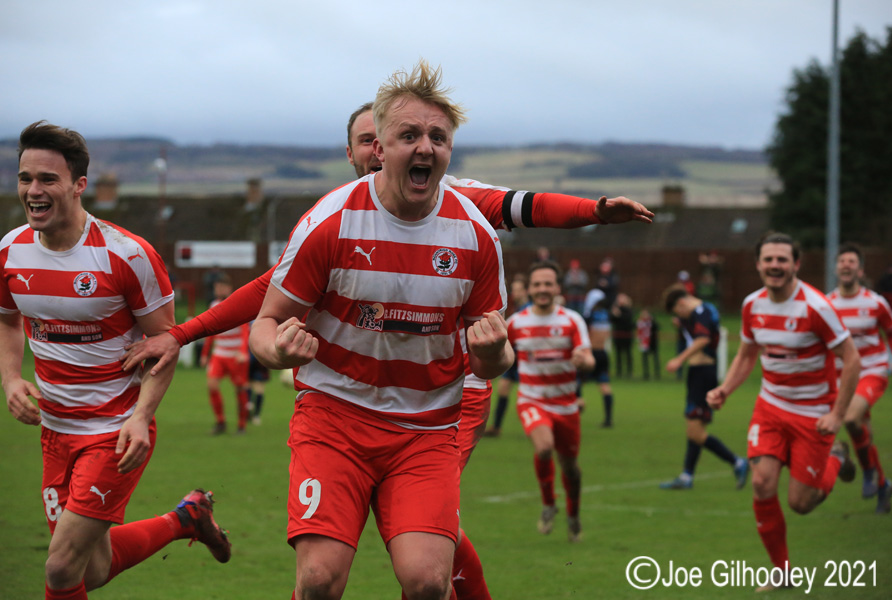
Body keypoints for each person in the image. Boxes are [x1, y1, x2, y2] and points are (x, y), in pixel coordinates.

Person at [123, 99, 653, 600]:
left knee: (426, 564)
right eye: (369, 140)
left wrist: (595, 211)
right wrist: (187, 333)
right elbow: (270, 292)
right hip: (344, 405)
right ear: (358, 152)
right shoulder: (332, 220)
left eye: (414, 137)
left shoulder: (460, 208)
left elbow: (528, 206)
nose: (385, 147)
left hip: (449, 395)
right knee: (334, 571)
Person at [247, 60, 515, 600]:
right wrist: (279, 351)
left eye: (438, 137)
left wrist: (494, 354)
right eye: (409, 135)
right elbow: (263, 324)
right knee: (319, 580)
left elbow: (490, 361)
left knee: (427, 581)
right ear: (380, 149)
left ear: (449, 152)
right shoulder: (330, 222)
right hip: (334, 419)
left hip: (424, 431)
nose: (425, 147)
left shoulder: (475, 237)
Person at [0, 122, 231, 600]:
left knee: (62, 568)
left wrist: (142, 417)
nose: (33, 191)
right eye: (25, 179)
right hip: (55, 431)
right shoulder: (9, 251)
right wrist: (10, 380)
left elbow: (164, 345)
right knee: (92, 570)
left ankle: (184, 516)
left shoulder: (128, 255)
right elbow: (6, 321)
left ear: (79, 185)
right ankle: (186, 518)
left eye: (48, 179)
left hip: (114, 430)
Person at [707, 232, 860, 592]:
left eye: (782, 260)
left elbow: (852, 360)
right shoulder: (752, 305)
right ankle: (783, 572)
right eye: (768, 260)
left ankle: (837, 455)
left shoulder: (816, 307)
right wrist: (725, 389)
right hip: (771, 407)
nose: (775, 266)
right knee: (761, 483)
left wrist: (837, 416)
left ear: (796, 264)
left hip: (814, 414)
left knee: (800, 503)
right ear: (758, 264)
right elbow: (746, 354)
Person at [506, 261, 594, 542]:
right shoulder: (516, 324)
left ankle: (573, 515)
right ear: (529, 289)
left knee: (571, 468)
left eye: (548, 284)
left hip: (566, 404)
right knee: (544, 448)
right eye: (537, 285)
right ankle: (548, 503)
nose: (542, 289)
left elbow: (589, 357)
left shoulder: (571, 320)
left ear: (557, 288)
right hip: (532, 399)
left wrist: (584, 361)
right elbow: (500, 358)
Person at [827, 243, 892, 513]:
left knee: (850, 419)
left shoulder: (874, 302)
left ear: (860, 269)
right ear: (836, 268)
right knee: (859, 431)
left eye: (851, 261)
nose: (846, 265)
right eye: (842, 260)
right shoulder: (828, 304)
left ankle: (867, 471)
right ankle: (882, 484)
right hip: (840, 376)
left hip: (872, 370)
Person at [659, 288, 748, 490]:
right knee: (695, 428)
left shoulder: (701, 312)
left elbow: (703, 339)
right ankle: (687, 476)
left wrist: (679, 359)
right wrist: (682, 324)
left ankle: (737, 462)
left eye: (677, 312)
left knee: (695, 431)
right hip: (699, 373)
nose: (679, 316)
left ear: (681, 303)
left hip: (703, 373)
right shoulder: (701, 312)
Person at [200, 275, 251, 435]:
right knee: (212, 386)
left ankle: (242, 424)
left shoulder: (237, 304)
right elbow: (210, 331)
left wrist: (243, 352)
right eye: (217, 287)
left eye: (222, 287)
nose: (219, 290)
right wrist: (204, 354)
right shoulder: (213, 305)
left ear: (229, 288)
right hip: (219, 354)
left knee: (240, 389)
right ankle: (220, 422)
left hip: (235, 355)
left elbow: (244, 330)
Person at [484, 274, 529, 438]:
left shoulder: (529, 310)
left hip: (526, 357)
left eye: (519, 290)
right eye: (514, 290)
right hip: (514, 355)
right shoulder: (516, 310)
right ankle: (496, 427)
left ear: (526, 291)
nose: (515, 293)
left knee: (532, 391)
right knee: (503, 388)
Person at [581, 285, 615, 427]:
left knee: (576, 383)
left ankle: (574, 412)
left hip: (591, 353)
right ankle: (608, 419)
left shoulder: (589, 316)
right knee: (604, 385)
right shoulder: (606, 315)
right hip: (603, 353)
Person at [609, 292, 635, 378]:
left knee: (628, 353)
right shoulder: (615, 309)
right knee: (618, 354)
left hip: (627, 335)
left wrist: (619, 315)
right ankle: (619, 372)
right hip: (618, 334)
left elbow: (628, 321)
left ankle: (629, 371)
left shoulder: (628, 310)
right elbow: (612, 320)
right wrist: (614, 314)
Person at [636, 308, 660, 380]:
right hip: (644, 342)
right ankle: (646, 374)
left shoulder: (652, 322)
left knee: (655, 358)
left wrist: (652, 320)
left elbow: (657, 327)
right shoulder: (640, 322)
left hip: (652, 342)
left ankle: (657, 373)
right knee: (645, 358)